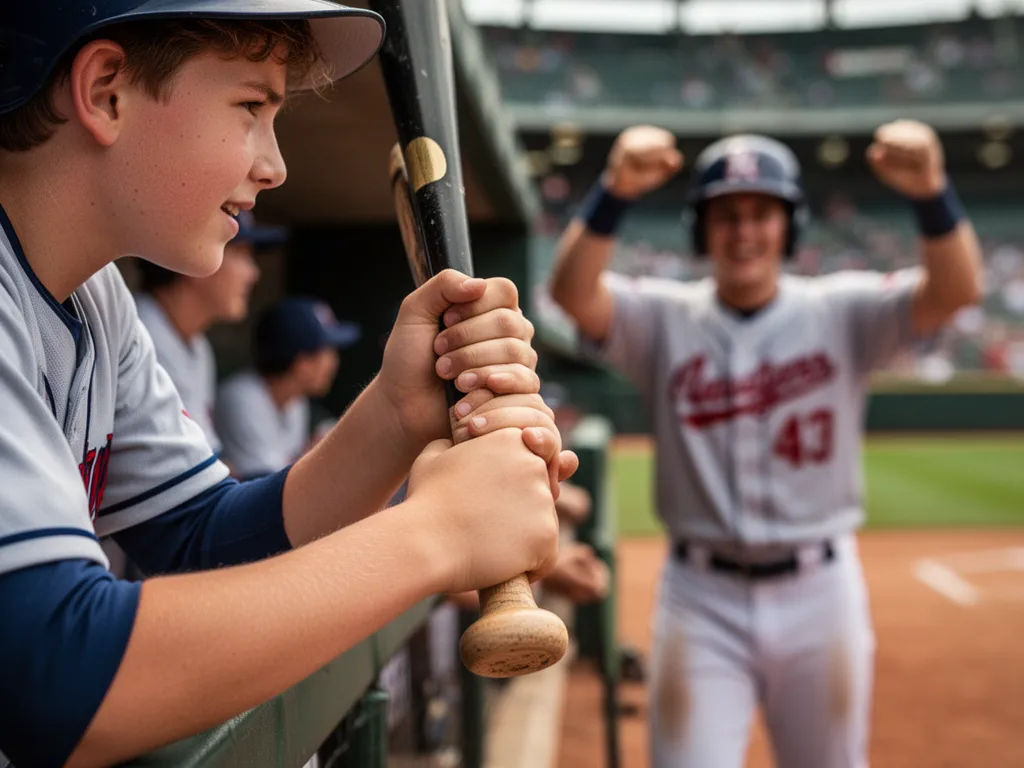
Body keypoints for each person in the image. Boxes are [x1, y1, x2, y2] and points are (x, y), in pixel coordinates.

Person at [0, 5, 578, 767]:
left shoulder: (94, 297)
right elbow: (55, 674)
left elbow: (201, 540)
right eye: (251, 107)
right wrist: (437, 533)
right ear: (106, 91)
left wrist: (392, 418)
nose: (275, 166)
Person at [549, 122, 982, 767]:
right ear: (702, 229)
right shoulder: (664, 317)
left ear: (789, 226)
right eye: (726, 215)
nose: (744, 231)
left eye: (761, 213)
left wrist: (932, 193)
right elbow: (572, 295)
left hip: (820, 594)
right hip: (700, 597)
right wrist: (613, 190)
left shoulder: (842, 309)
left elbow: (956, 292)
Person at [135, 209, 282, 456]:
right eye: (240, 253)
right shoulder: (136, 334)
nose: (253, 274)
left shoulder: (197, 346)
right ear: (194, 255)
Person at [216, 297, 360, 479]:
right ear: (301, 362)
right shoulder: (242, 398)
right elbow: (263, 484)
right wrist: (316, 458)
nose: (334, 362)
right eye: (327, 352)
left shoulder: (296, 402)